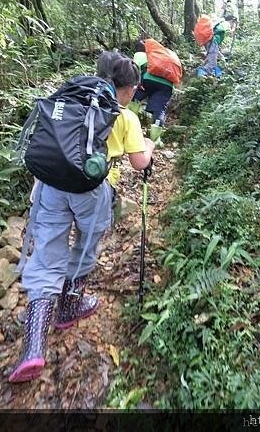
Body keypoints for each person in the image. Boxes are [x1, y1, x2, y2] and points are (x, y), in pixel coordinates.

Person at [9, 51, 155, 383]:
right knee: (86, 246)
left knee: (46, 256)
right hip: (92, 191)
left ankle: (33, 348)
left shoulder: (71, 98)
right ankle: (70, 307)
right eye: (135, 87)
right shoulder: (124, 116)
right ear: (128, 88)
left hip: (50, 185)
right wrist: (149, 147)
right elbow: (139, 163)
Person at [132, 40, 175, 126]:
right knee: (159, 110)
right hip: (167, 85)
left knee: (133, 99)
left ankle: (129, 122)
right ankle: (154, 135)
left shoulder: (140, 54)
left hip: (147, 80)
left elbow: (134, 70)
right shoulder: (163, 55)